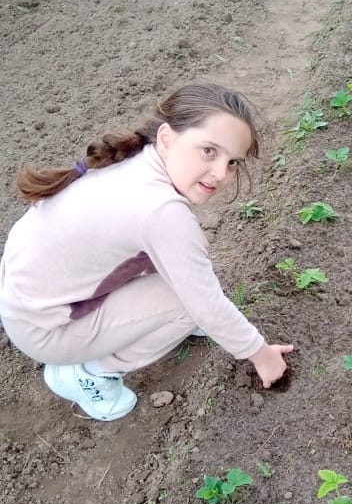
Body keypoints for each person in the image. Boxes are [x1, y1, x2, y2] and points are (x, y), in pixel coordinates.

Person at [0, 82, 293, 421]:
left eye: (233, 162)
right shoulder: (162, 212)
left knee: (190, 259)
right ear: (167, 138)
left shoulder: (132, 163)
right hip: (46, 329)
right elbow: (207, 305)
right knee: (190, 305)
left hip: (27, 303)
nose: (220, 173)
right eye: (209, 151)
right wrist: (261, 354)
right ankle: (89, 374)